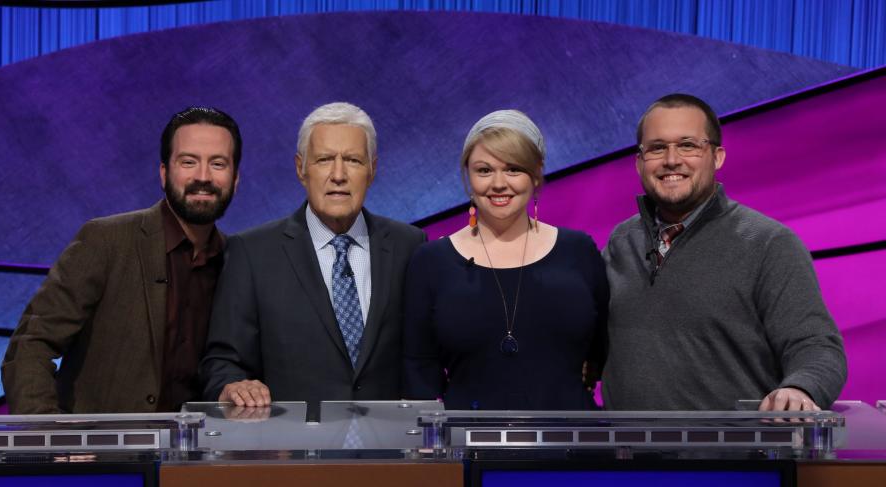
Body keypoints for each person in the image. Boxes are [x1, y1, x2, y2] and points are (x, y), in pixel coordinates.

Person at [602, 93, 847, 411]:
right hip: (627, 454)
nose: (672, 160)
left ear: (717, 157)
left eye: (688, 145)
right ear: (639, 162)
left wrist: (801, 389)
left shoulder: (768, 243)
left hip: (733, 455)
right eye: (657, 148)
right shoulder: (621, 241)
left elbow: (816, 345)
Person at [1, 107, 242, 413]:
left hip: (193, 454)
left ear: (235, 179)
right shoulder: (105, 241)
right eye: (188, 162)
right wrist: (54, 439)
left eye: (218, 164)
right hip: (95, 454)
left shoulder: (237, 260)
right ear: (164, 173)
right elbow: (30, 346)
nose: (203, 177)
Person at [200, 102, 426, 406]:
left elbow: (426, 356)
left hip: (389, 445)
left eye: (353, 160)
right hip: (294, 446)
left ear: (372, 170)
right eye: (324, 159)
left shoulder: (409, 245)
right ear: (300, 169)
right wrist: (232, 387)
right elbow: (222, 362)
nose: (338, 174)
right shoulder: (252, 252)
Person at [402, 110, 608, 410]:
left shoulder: (579, 251)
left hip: (570, 443)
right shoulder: (431, 261)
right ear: (468, 176)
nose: (498, 184)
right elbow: (417, 370)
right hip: (470, 446)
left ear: (536, 174)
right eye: (484, 170)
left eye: (513, 169)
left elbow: (601, 348)